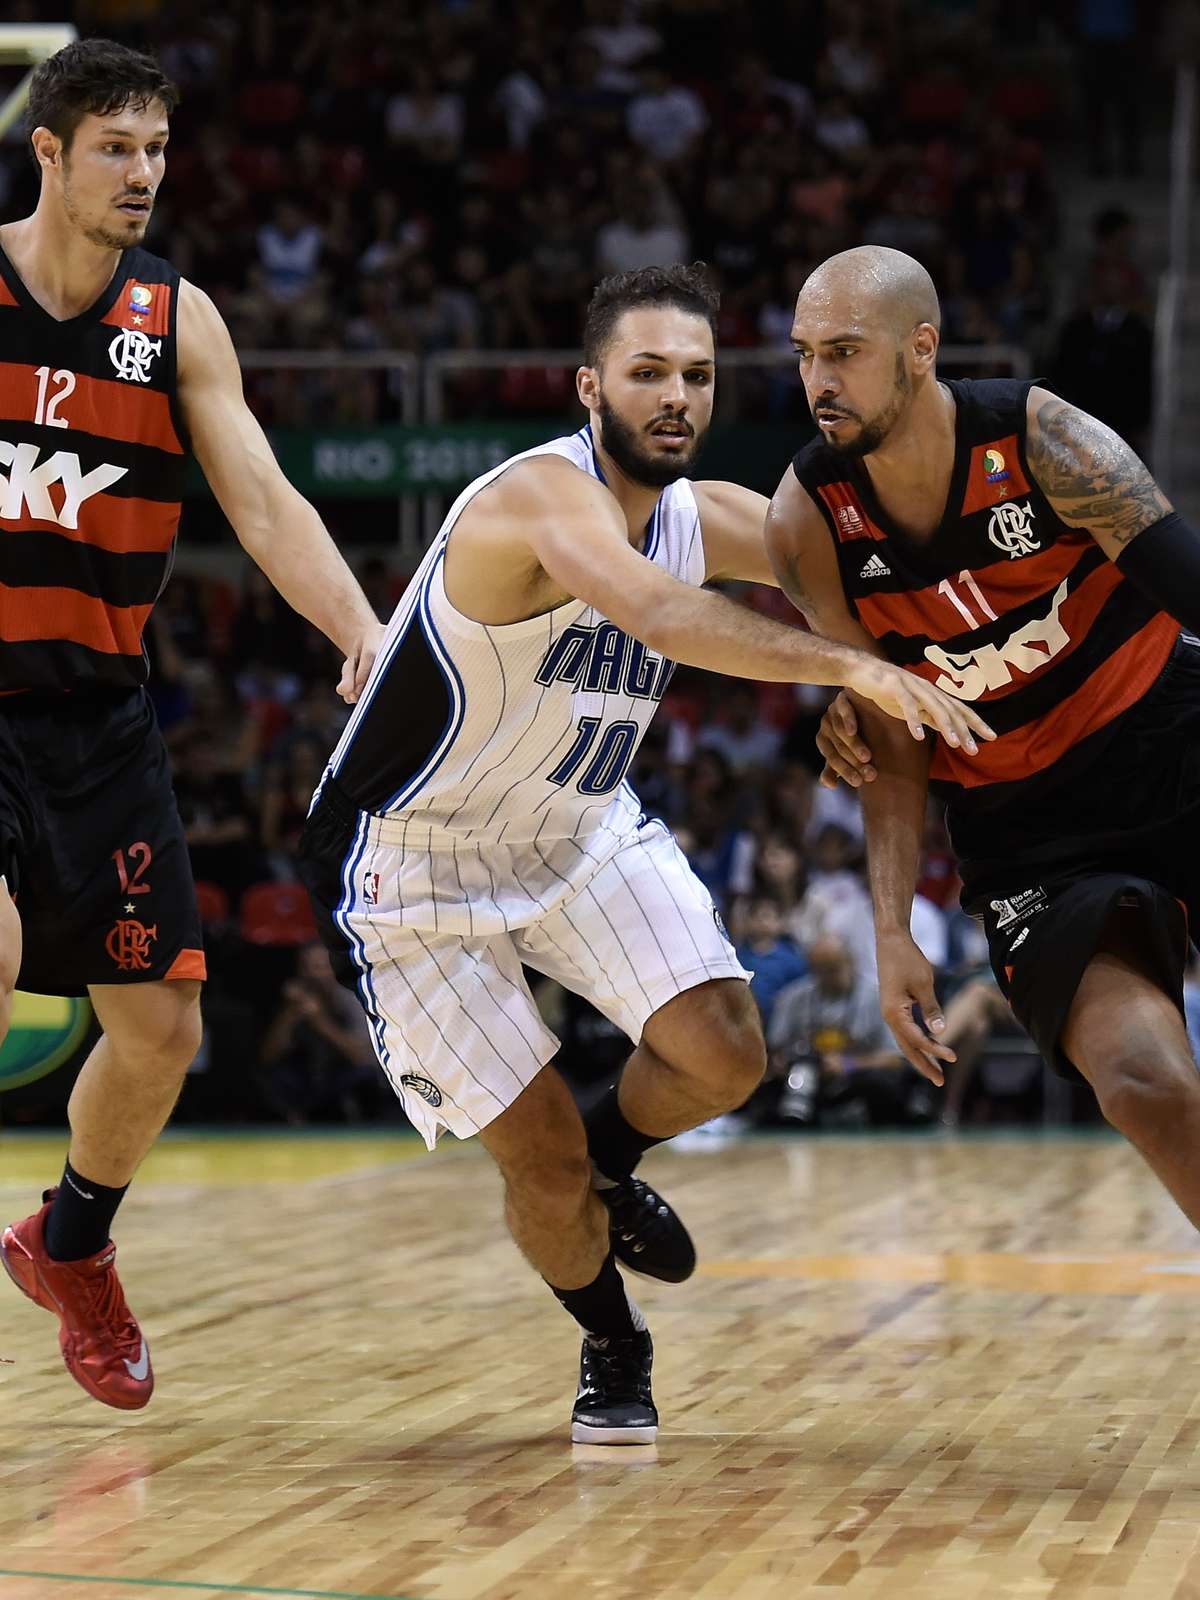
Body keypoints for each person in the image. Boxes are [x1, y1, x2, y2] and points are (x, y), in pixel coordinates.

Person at [299, 262, 990, 1446]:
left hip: (578, 825)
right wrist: (847, 671)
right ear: (589, 387)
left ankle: (612, 1169)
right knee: (540, 1162)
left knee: (727, 1056)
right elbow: (663, 616)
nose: (677, 396)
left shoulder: (712, 514)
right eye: (649, 374)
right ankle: (613, 1339)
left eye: (699, 375)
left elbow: (868, 571)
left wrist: (857, 657)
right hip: (416, 864)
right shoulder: (536, 501)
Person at [0, 40, 383, 1411]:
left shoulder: (176, 319)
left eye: (157, 151)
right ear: (47, 152)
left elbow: (266, 503)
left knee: (162, 1028)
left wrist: (362, 635)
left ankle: (70, 1247)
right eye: (116, 148)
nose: (144, 174)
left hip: (99, 720)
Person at [766, 244, 1200, 1246]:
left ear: (921, 350)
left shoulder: (1046, 442)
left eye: (844, 351)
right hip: (1032, 834)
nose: (818, 381)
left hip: (1170, 739)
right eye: (803, 355)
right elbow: (886, 736)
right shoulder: (809, 523)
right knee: (1140, 1079)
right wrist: (889, 930)